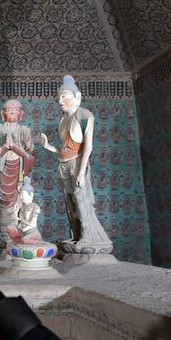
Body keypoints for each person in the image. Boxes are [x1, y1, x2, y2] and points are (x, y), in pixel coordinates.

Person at [39, 75, 112, 250]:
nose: (60, 100)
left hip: (78, 164)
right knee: (69, 200)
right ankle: (76, 234)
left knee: (81, 199)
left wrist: (81, 172)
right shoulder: (63, 120)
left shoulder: (84, 115)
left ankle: (88, 236)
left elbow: (88, 147)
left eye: (64, 96)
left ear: (77, 97)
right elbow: (64, 149)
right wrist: (48, 146)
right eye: (59, 97)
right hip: (63, 164)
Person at [0, 99, 35, 231]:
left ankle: (19, 228)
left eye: (15, 111)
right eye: (9, 111)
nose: (12, 114)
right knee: (4, 201)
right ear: (2, 113)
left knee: (20, 200)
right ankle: (5, 232)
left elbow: (31, 156)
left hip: (19, 172)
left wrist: (16, 148)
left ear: (21, 114)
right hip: (4, 172)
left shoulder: (24, 130)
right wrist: (4, 147)